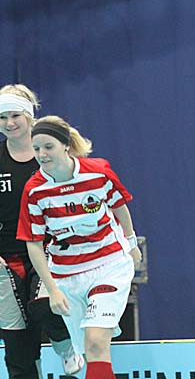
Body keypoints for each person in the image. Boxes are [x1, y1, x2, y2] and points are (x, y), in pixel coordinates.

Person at [16, 115, 142, 379]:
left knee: (95, 341)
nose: (41, 154)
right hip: (66, 275)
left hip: (109, 263)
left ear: (65, 145)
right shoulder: (34, 190)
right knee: (88, 349)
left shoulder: (97, 172)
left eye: (48, 147)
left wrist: (131, 244)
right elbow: (34, 244)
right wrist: (52, 289)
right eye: (36, 148)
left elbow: (119, 206)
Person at [0, 86, 84, 378]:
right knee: (17, 347)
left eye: (15, 116)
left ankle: (65, 345)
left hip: (50, 251)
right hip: (7, 260)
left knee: (45, 306)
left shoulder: (51, 153)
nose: (9, 123)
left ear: (29, 115)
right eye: (2, 118)